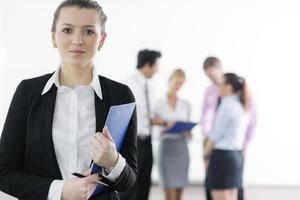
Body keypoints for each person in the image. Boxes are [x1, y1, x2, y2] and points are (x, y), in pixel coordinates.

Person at [0, 1, 137, 200]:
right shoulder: (28, 92)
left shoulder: (120, 95)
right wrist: (61, 191)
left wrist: (113, 161)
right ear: (53, 37)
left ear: (102, 40)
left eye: (89, 31)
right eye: (67, 30)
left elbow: (129, 180)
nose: (77, 40)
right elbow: (4, 173)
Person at [200, 57, 256, 200]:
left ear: (229, 87)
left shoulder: (226, 106)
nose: (218, 87)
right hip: (234, 155)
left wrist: (205, 154)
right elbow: (205, 114)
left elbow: (215, 135)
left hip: (222, 157)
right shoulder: (240, 105)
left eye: (221, 84)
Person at [120, 49, 161, 200]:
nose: (158, 69)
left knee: (145, 181)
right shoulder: (127, 84)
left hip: (147, 140)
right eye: (157, 65)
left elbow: (147, 116)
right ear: (148, 65)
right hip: (132, 141)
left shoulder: (150, 87)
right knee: (130, 184)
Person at [152, 69, 192, 200]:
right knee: (169, 194)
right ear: (170, 81)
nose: (178, 86)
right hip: (166, 149)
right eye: (177, 82)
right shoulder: (158, 103)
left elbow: (189, 133)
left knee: (179, 193)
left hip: (181, 149)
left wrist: (188, 133)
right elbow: (149, 122)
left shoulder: (186, 104)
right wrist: (164, 123)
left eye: (181, 84)